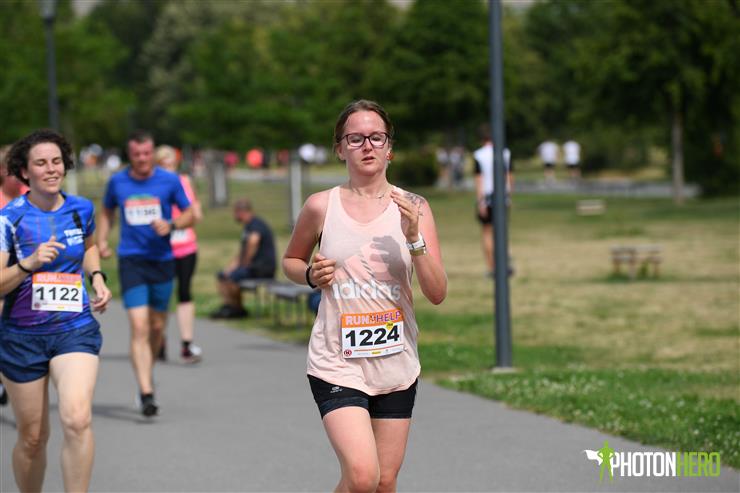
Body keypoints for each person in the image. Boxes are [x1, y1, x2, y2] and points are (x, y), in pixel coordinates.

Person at [283, 99, 447, 492]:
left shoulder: (415, 208)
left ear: (390, 148)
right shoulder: (321, 205)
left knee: (384, 482)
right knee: (362, 476)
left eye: (376, 137)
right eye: (355, 139)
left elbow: (437, 292)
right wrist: (309, 275)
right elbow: (291, 260)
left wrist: (414, 239)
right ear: (340, 149)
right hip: (337, 360)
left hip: (395, 361)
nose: (367, 146)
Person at [0, 129, 112, 492]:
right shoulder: (9, 218)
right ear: (24, 171)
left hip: (74, 329)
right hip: (22, 336)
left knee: (77, 419)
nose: (51, 169)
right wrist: (28, 264)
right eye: (41, 163)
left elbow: (89, 246)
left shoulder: (81, 209)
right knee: (33, 437)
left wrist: (97, 277)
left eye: (56, 161)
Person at [97, 130, 194, 416]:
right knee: (139, 326)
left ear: (152, 153)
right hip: (132, 260)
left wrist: (172, 224)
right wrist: (102, 240)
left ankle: (147, 375)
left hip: (162, 260)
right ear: (129, 154)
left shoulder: (169, 180)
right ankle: (146, 391)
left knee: (156, 327)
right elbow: (106, 211)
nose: (141, 158)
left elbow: (190, 213)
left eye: (146, 153)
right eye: (136, 154)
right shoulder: (118, 181)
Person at [155, 145, 203, 364]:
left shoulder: (184, 181)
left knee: (184, 292)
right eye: (163, 165)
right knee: (162, 295)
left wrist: (190, 214)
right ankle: (159, 340)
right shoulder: (153, 185)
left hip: (186, 246)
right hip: (162, 248)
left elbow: (196, 213)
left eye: (171, 164)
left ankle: (186, 344)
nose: (169, 169)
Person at [210, 199, 276, 319]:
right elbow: (242, 252)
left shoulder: (256, 224)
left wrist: (244, 263)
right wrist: (229, 268)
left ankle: (236, 309)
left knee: (232, 278)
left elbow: (253, 242)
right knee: (223, 275)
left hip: (262, 268)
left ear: (242, 212)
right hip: (252, 267)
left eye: (235, 212)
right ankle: (231, 306)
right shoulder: (248, 226)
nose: (234, 216)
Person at [474, 126, 513, 277]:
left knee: (487, 232)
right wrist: (509, 196)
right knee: (502, 231)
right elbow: (509, 176)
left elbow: (479, 180)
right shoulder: (505, 153)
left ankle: (492, 267)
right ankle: (505, 265)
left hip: (488, 197)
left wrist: (480, 202)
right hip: (502, 197)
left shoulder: (479, 155)